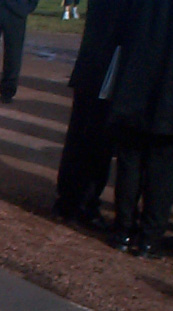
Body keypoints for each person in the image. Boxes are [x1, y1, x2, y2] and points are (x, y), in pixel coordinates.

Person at [107, 0, 173, 258]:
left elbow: (119, 26)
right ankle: (149, 238)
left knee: (130, 163)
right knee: (165, 170)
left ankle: (123, 230)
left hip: (136, 81)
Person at [53, 0, 124, 230]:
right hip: (106, 70)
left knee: (81, 136)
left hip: (93, 66)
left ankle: (69, 199)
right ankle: (82, 203)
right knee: (96, 139)